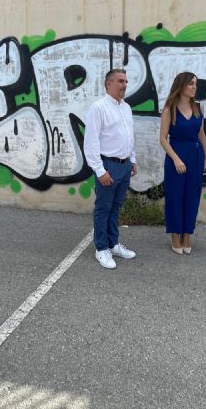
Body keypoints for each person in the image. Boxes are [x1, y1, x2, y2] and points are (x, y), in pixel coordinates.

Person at [83, 69, 137, 269]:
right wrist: (100, 170)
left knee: (115, 207)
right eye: (120, 81)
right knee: (103, 208)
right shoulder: (98, 108)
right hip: (108, 165)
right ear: (108, 84)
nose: (124, 85)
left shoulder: (126, 108)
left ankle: (113, 244)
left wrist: (133, 159)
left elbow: (129, 135)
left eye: (126, 81)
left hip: (124, 166)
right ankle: (101, 249)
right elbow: (91, 143)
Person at [159, 72, 206, 255]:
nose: (194, 87)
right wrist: (176, 158)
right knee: (175, 197)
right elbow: (163, 139)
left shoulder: (199, 107)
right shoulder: (169, 110)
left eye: (195, 84)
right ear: (180, 86)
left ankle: (187, 234)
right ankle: (175, 234)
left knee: (192, 196)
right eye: (190, 84)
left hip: (195, 155)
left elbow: (201, 134)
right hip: (176, 157)